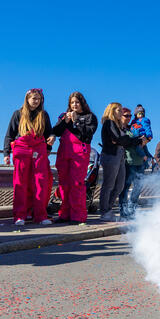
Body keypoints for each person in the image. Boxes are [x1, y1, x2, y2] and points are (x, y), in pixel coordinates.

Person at [4, 89, 55, 226]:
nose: (36, 101)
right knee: (20, 183)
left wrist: (49, 144)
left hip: (39, 150)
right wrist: (6, 153)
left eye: (38, 99)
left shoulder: (43, 115)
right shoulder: (18, 114)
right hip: (21, 150)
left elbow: (49, 133)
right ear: (27, 99)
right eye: (33, 98)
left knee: (41, 183)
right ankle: (20, 215)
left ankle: (40, 215)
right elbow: (10, 134)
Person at [52, 92, 98, 224]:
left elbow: (88, 133)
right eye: (72, 103)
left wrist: (76, 121)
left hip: (79, 154)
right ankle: (64, 214)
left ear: (82, 103)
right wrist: (64, 122)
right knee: (64, 185)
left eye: (77, 102)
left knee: (76, 184)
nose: (74, 105)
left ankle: (77, 216)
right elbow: (56, 131)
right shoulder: (65, 116)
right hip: (64, 153)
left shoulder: (90, 117)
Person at [99, 103, 146, 221]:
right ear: (112, 111)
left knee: (120, 185)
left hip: (119, 156)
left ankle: (108, 208)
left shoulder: (118, 125)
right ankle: (105, 211)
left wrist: (127, 141)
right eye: (119, 110)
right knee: (108, 185)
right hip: (111, 156)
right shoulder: (109, 123)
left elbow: (123, 140)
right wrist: (129, 141)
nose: (121, 112)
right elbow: (119, 139)